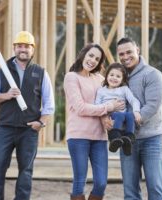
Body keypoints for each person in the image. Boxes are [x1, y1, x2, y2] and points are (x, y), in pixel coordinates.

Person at [0, 31, 55, 200]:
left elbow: (49, 104)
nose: (22, 49)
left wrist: (41, 123)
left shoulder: (40, 72)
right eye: (19, 46)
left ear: (32, 49)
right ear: (14, 48)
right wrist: (6, 95)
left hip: (29, 130)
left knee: (25, 173)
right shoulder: (3, 70)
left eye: (26, 46)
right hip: (5, 128)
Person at [63, 43, 122, 200]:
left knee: (101, 182)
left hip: (99, 137)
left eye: (97, 58)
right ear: (83, 55)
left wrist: (106, 116)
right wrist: (108, 106)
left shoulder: (100, 79)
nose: (93, 60)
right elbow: (80, 108)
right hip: (78, 136)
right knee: (80, 181)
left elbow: (101, 102)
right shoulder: (71, 77)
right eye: (90, 55)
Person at [116, 37, 162, 200]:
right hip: (126, 140)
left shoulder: (152, 74)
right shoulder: (117, 77)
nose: (125, 57)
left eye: (129, 52)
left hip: (151, 139)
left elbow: (152, 105)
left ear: (138, 50)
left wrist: (130, 121)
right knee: (130, 193)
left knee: (155, 189)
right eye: (121, 54)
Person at [95, 63, 141, 155]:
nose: (114, 78)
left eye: (118, 76)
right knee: (119, 115)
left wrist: (136, 111)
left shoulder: (124, 89)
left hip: (123, 115)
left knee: (130, 114)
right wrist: (110, 106)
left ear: (122, 79)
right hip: (110, 115)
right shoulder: (101, 91)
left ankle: (129, 138)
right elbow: (97, 105)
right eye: (111, 75)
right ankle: (114, 138)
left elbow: (133, 100)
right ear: (107, 75)